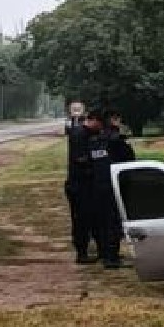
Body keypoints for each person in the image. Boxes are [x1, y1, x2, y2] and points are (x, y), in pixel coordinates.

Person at [84, 110, 128, 268]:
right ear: (112, 120)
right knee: (113, 223)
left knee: (100, 222)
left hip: (96, 187)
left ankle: (104, 254)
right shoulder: (115, 140)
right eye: (117, 119)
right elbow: (128, 159)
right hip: (112, 187)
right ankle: (112, 258)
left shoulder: (93, 141)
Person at [65, 102, 96, 264]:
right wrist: (94, 163)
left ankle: (83, 250)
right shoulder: (79, 134)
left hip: (79, 184)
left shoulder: (80, 133)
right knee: (81, 220)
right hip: (78, 185)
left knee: (83, 219)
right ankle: (81, 252)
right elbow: (80, 159)